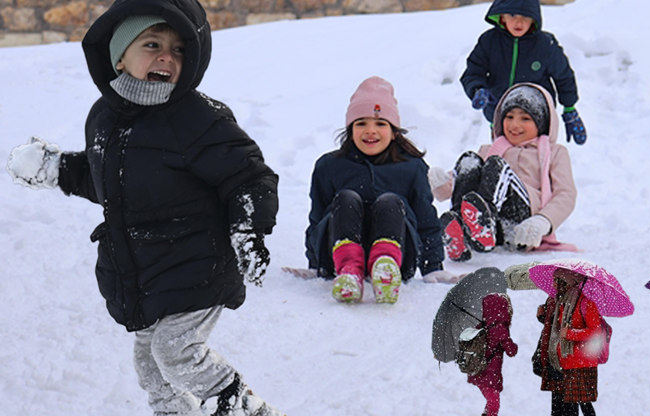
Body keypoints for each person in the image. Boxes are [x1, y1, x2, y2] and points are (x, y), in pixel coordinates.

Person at [5, 1, 282, 415]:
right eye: (152, 44)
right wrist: (58, 168)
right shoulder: (105, 117)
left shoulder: (196, 118)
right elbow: (108, 182)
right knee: (148, 362)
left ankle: (243, 407)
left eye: (178, 49)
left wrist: (248, 228)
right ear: (120, 55)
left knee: (175, 349)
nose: (167, 57)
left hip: (198, 264)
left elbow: (247, 174)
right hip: (148, 270)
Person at [305, 76, 451, 304]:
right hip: (338, 254)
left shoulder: (411, 167)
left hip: (399, 254)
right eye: (361, 123)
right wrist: (315, 263)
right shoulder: (329, 166)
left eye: (380, 123)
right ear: (350, 129)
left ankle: (385, 266)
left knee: (390, 201)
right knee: (345, 198)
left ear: (394, 132)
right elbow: (317, 218)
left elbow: (425, 218)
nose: (370, 131)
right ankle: (349, 269)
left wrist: (433, 266)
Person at [431, 83, 576, 261]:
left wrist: (542, 221)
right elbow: (459, 181)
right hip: (492, 233)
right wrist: (440, 183)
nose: (514, 124)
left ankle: (484, 221)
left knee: (495, 165)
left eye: (525, 119)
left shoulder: (554, 152)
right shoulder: (489, 149)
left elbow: (566, 194)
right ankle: (461, 229)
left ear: (541, 122)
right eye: (509, 116)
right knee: (469, 160)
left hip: (522, 225)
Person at [460, 0, 587, 145]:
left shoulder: (545, 45)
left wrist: (570, 107)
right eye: (513, 16)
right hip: (501, 118)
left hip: (536, 120)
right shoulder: (489, 41)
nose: (519, 23)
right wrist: (477, 89)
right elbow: (473, 72)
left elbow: (563, 76)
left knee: (534, 162)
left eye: (526, 17)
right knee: (504, 159)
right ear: (502, 17)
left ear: (534, 18)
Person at [535, 268, 601, 416]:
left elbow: (596, 333)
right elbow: (555, 328)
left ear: (565, 283)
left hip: (579, 363)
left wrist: (571, 334)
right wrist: (543, 316)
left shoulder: (586, 304)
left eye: (556, 281)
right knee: (561, 407)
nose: (553, 285)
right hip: (560, 362)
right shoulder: (560, 303)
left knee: (575, 407)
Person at [467, 293, 518, 416]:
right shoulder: (500, 328)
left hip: (478, 370)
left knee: (490, 404)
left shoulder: (482, 326)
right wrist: (513, 345)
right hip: (489, 374)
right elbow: (511, 351)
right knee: (494, 405)